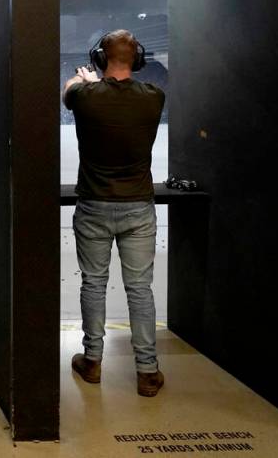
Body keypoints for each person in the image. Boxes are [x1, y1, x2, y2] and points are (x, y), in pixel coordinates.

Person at [63, 29, 166, 397]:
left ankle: (92, 360)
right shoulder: (154, 97)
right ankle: (147, 370)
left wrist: (86, 78)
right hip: (138, 206)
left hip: (94, 204)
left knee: (94, 282)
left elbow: (69, 91)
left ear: (99, 59)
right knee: (140, 289)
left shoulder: (84, 95)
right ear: (137, 58)